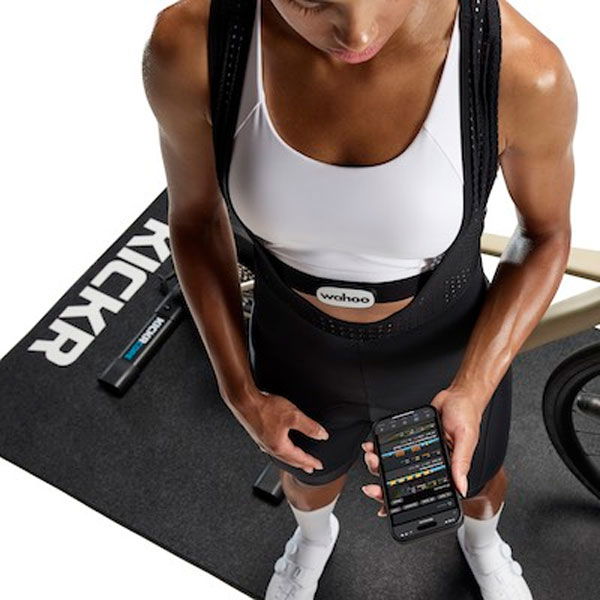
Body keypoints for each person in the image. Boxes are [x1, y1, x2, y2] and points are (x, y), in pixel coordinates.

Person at [142, 0, 576, 598]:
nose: (357, 33)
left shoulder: (521, 67)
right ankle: (312, 539)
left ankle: (483, 544)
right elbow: (193, 221)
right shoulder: (192, 44)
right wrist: (239, 391)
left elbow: (546, 235)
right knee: (306, 477)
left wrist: (474, 388)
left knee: (474, 483)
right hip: (297, 345)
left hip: (443, 347)